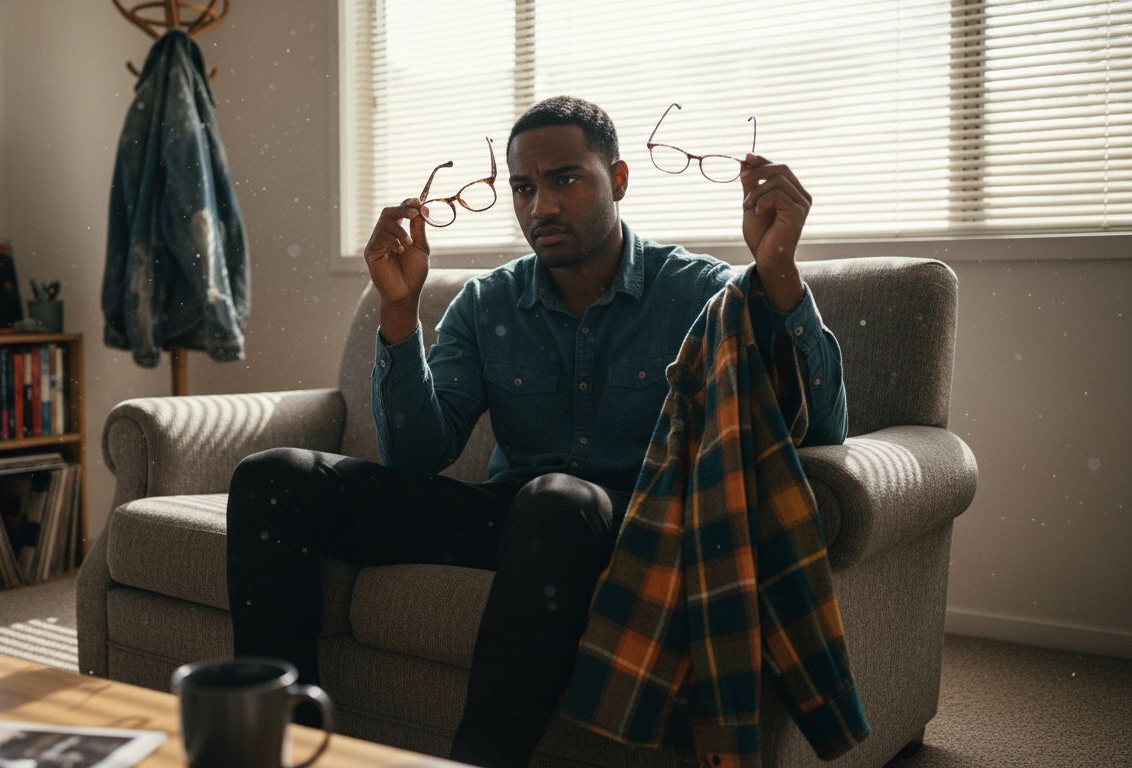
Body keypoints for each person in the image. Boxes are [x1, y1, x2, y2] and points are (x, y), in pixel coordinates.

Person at [226, 96, 847, 768]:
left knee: (561, 497)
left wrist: (779, 271)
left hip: (630, 529)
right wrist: (399, 311)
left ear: (620, 179)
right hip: (514, 520)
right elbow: (416, 455)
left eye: (565, 180)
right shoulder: (487, 301)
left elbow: (819, 425)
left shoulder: (701, 291)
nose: (541, 207)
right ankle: (278, 746)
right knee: (271, 478)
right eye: (524, 187)